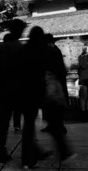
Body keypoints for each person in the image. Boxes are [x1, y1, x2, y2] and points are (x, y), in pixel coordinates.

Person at [27, 30, 76, 165]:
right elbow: (61, 73)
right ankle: (62, 150)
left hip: (45, 91)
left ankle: (58, 151)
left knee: (40, 122)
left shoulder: (45, 52)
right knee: (51, 121)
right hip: (50, 90)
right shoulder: (52, 51)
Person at [19, 26, 54, 168]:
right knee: (29, 126)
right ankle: (30, 158)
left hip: (24, 92)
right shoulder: (42, 52)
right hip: (36, 92)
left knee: (28, 126)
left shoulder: (24, 50)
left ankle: (29, 157)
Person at [0, 19, 26, 163]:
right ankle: (33, 151)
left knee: (4, 122)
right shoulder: (17, 47)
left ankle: (1, 150)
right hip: (17, 88)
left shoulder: (2, 48)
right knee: (28, 120)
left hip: (4, 88)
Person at [41, 34, 67, 136]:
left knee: (53, 104)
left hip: (53, 80)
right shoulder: (56, 50)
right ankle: (54, 125)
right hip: (56, 80)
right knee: (53, 104)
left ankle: (59, 126)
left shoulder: (51, 51)